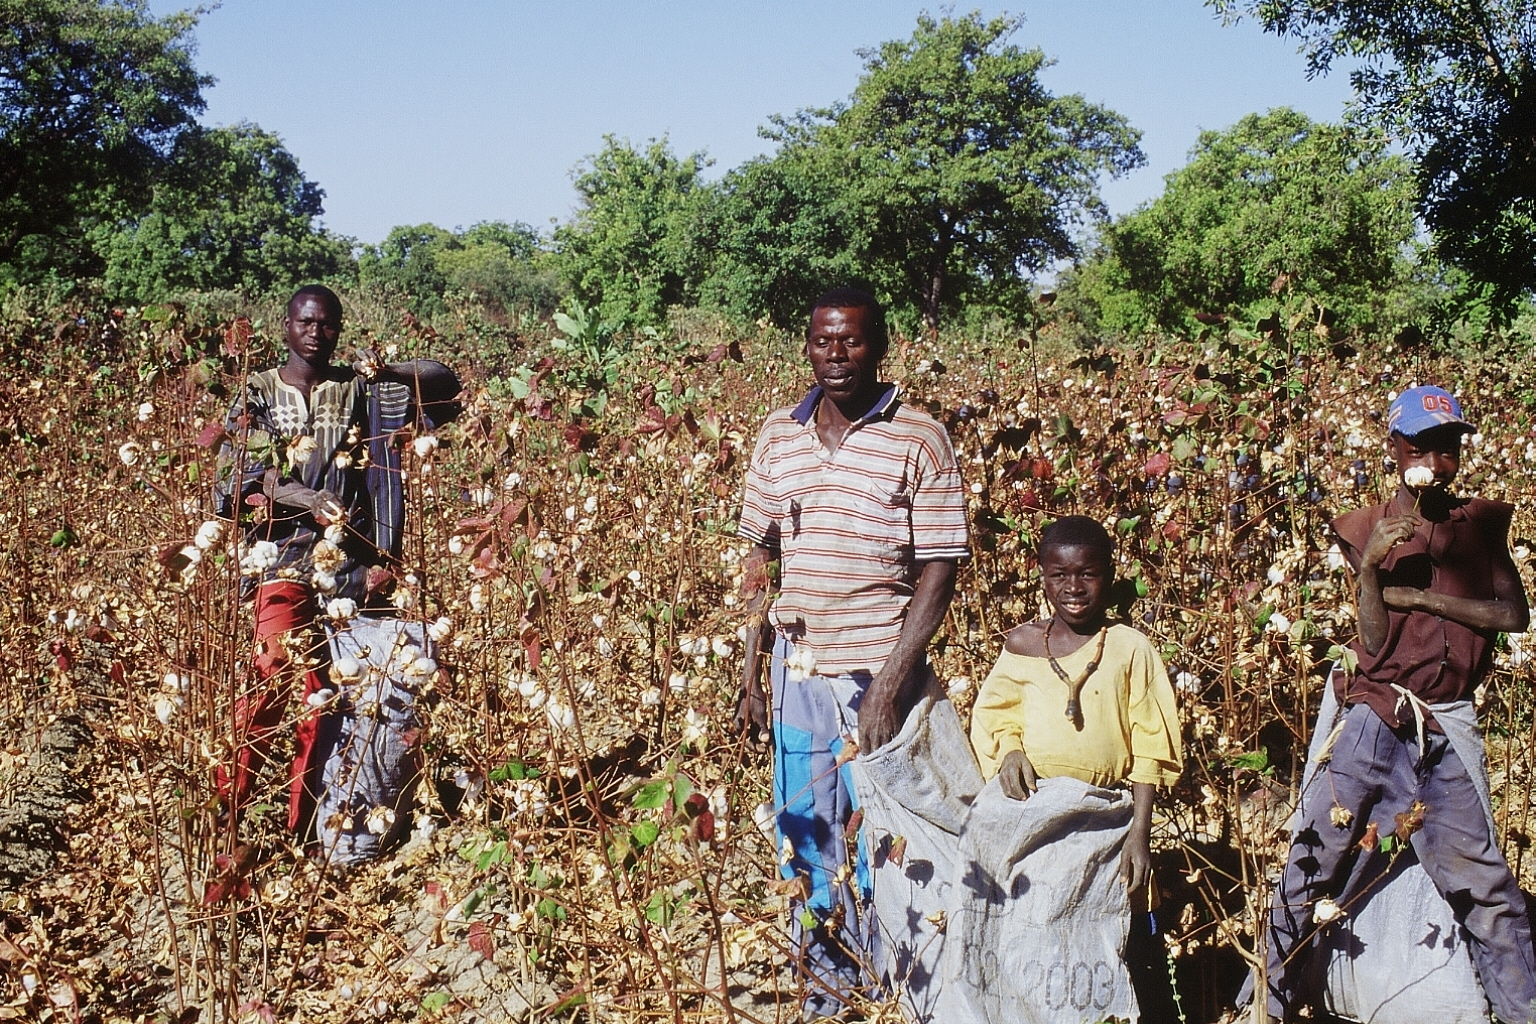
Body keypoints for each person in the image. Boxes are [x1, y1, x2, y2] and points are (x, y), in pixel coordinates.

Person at [1256, 385, 1536, 1023]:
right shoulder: (1365, 529)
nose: (1437, 463)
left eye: (1448, 450)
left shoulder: (1481, 524)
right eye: (1423, 448)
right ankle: (1265, 1003)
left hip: (1445, 725)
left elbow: (1512, 614)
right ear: (1394, 448)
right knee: (1316, 858)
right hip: (1376, 719)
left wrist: (1428, 600)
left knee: (1485, 885)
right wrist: (1370, 574)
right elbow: (1376, 646)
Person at [736, 287, 970, 1020]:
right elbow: (760, 562)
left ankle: (894, 982)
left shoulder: (920, 437)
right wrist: (750, 674)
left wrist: (891, 679)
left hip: (878, 670)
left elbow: (941, 568)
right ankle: (828, 990)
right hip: (796, 671)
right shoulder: (778, 433)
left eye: (853, 342)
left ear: (881, 344)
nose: (837, 356)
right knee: (806, 827)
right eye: (823, 342)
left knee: (884, 835)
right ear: (807, 346)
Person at [214, 284, 461, 836]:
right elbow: (235, 482)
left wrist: (388, 369)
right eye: (305, 322)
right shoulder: (256, 394)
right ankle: (224, 813)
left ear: (338, 330)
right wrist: (305, 498)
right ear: (285, 325)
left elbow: (445, 384)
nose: (315, 333)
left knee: (334, 698)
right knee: (274, 678)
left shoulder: (358, 389)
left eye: (327, 325)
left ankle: (307, 831)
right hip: (279, 557)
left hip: (352, 566)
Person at [969, 514, 1183, 913]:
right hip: (1035, 813)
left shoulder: (1129, 647)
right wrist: (1010, 752)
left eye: (1088, 574)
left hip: (1109, 818)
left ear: (1110, 574)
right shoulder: (1024, 643)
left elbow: (1149, 745)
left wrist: (1139, 833)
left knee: (1116, 926)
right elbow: (997, 715)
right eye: (1059, 575)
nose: (1073, 588)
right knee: (1034, 923)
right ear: (1043, 577)